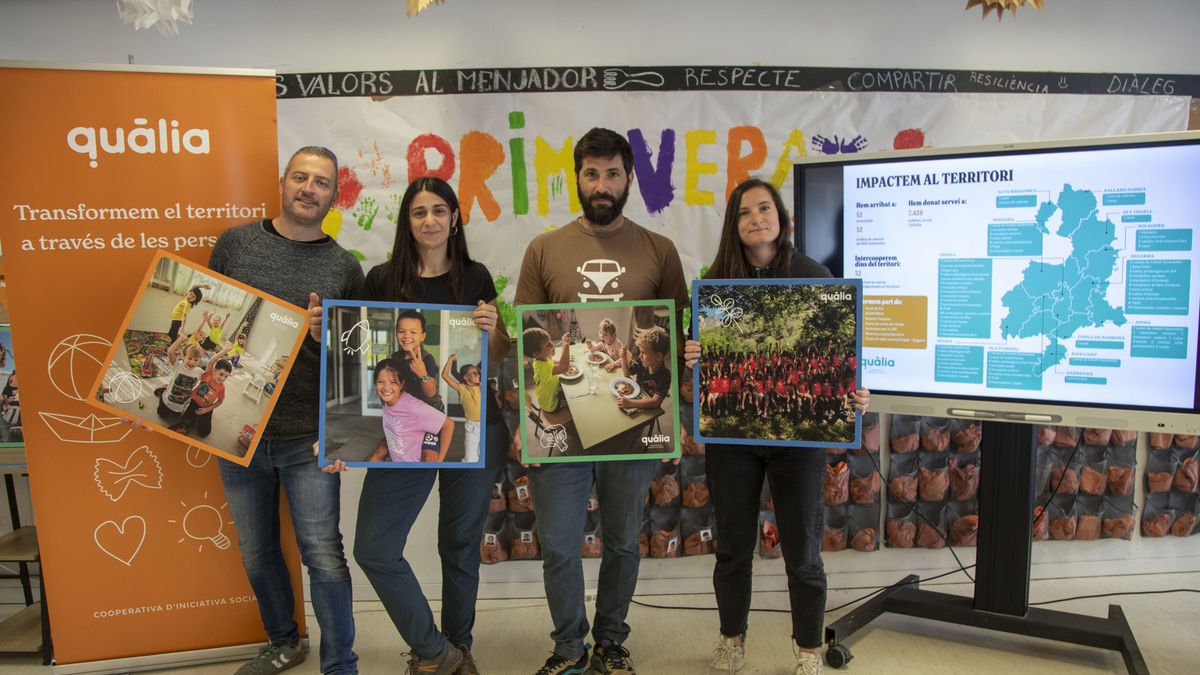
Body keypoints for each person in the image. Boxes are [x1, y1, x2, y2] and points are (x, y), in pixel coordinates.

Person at [514, 127, 689, 675]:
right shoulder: (544, 249)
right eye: (592, 173)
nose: (603, 184)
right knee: (561, 545)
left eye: (613, 172)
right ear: (578, 179)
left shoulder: (660, 250)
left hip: (632, 428)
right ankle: (569, 647)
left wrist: (679, 416)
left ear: (629, 177)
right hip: (561, 424)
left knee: (622, 542)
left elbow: (681, 340)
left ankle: (611, 642)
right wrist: (528, 416)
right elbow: (528, 342)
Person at [682, 178, 869, 675]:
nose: (756, 219)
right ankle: (731, 638)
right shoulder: (717, 280)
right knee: (732, 548)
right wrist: (693, 352)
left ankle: (808, 647)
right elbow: (700, 359)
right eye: (745, 212)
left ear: (781, 216)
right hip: (734, 438)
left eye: (765, 208)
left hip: (797, 438)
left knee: (803, 550)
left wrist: (853, 391)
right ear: (734, 224)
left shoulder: (813, 274)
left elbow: (837, 354)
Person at [345, 176, 511, 675]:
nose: (430, 221)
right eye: (419, 212)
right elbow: (355, 355)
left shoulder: (475, 276)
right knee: (374, 547)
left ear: (455, 218)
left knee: (459, 544)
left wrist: (494, 330)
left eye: (440, 210)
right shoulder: (380, 280)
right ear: (407, 221)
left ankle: (457, 650)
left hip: (473, 428)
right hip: (404, 431)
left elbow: (496, 357)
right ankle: (434, 649)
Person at [209, 146, 363, 675]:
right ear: (283, 181)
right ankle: (283, 642)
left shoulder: (344, 266)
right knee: (256, 551)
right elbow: (211, 318)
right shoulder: (235, 244)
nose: (308, 188)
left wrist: (323, 340)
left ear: (333, 194)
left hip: (309, 435)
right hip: (234, 428)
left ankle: (340, 663)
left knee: (323, 555)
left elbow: (355, 363)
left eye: (321, 182)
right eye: (301, 177)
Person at [367, 358, 454, 463]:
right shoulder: (387, 401)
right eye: (381, 382)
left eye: (393, 382)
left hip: (413, 469)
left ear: (402, 384)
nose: (386, 388)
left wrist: (439, 462)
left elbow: (448, 425)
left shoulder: (413, 407)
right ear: (375, 383)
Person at [173, 340, 234, 437]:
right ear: (214, 371)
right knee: (185, 422)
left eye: (226, 376)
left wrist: (207, 409)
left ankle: (199, 418)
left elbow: (220, 401)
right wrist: (225, 350)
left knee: (204, 433)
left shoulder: (222, 388)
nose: (223, 378)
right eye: (221, 374)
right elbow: (211, 361)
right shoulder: (208, 374)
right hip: (194, 402)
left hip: (206, 407)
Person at [615, 326, 671, 412]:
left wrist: (630, 403)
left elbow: (655, 402)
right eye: (640, 352)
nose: (640, 356)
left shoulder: (665, 376)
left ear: (658, 356)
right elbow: (627, 373)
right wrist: (623, 357)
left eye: (643, 352)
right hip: (634, 397)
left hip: (647, 408)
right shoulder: (642, 362)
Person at [441, 354, 484, 463]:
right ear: (465, 377)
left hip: (485, 426)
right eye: (473, 373)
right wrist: (450, 360)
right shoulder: (462, 389)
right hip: (472, 428)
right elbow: (445, 376)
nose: (477, 375)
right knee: (470, 459)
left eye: (478, 373)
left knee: (483, 456)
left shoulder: (481, 387)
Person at [524, 327, 572, 414]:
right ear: (536, 353)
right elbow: (563, 367)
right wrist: (565, 344)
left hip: (544, 397)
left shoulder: (539, 359)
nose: (552, 345)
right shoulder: (543, 368)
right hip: (551, 404)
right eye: (547, 345)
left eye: (550, 341)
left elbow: (551, 362)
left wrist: (566, 362)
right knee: (572, 396)